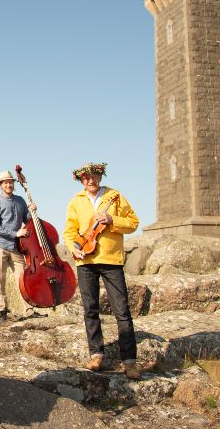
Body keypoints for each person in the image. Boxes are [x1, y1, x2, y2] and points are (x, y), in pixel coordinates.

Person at [62, 162, 141, 380]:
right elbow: (69, 231)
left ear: (100, 176)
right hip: (85, 261)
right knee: (90, 309)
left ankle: (129, 361)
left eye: (94, 175)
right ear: (81, 180)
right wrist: (73, 249)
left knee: (122, 311)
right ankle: (96, 354)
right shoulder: (75, 201)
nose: (90, 180)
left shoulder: (114, 196)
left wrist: (112, 219)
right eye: (85, 177)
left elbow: (133, 222)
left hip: (111, 260)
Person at [0, 170, 43, 321]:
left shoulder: (20, 200)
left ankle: (29, 310)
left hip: (17, 247)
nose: (8, 184)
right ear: (0, 185)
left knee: (22, 278)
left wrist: (32, 212)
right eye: (5, 182)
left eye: (10, 182)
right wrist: (15, 233)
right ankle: (2, 310)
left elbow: (28, 221)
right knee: (0, 278)